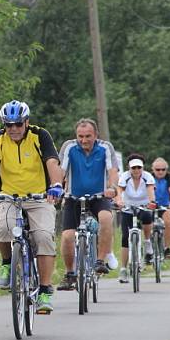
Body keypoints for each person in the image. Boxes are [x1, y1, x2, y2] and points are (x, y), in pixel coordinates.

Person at [0, 100, 64, 314]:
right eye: (9, 125)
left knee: (43, 237)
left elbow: (52, 162)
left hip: (39, 197)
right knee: (4, 229)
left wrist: (56, 185)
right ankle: (7, 262)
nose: (14, 129)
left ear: (26, 122)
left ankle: (44, 290)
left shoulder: (40, 135)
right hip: (9, 196)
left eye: (18, 124)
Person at [56, 118, 120, 290]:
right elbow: (60, 171)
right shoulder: (69, 147)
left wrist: (112, 187)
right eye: (80, 136)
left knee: (106, 218)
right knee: (68, 236)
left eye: (88, 136)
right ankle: (70, 274)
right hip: (73, 197)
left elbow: (112, 171)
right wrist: (56, 187)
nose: (84, 140)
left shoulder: (105, 147)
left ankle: (100, 260)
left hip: (99, 196)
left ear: (96, 135)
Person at [116, 154, 156, 283]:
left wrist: (151, 201)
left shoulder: (147, 177)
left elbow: (150, 190)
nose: (136, 170)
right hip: (128, 207)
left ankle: (148, 242)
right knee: (125, 237)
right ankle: (123, 269)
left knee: (147, 217)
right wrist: (119, 201)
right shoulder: (124, 177)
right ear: (129, 168)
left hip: (143, 205)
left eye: (139, 167)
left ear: (143, 168)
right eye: (134, 168)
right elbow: (120, 190)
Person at [151, 157, 170, 260]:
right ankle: (149, 248)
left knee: (168, 221)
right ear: (153, 169)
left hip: (164, 205)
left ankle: (167, 248)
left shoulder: (168, 177)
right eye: (158, 170)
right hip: (151, 205)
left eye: (163, 169)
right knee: (147, 224)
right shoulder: (149, 177)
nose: (161, 172)